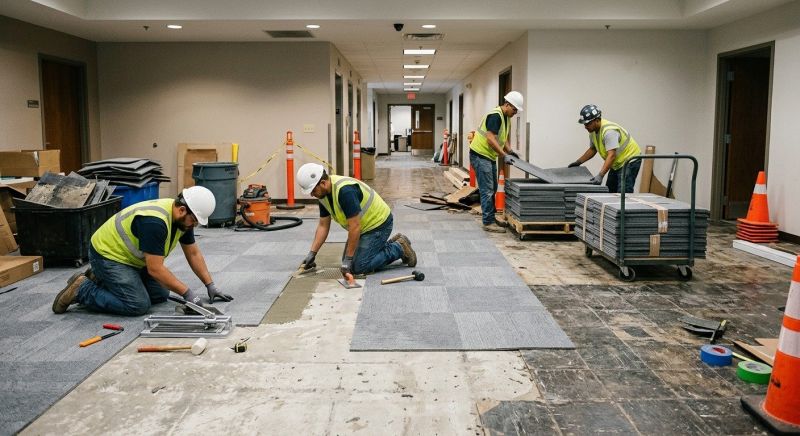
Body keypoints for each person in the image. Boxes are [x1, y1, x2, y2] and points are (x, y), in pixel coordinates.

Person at [52, 186, 233, 316]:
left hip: (131, 260)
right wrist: (187, 294)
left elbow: (193, 253)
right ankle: (82, 289)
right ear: (182, 209)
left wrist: (210, 285)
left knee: (160, 294)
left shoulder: (182, 219)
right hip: (108, 256)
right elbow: (155, 269)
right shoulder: (155, 223)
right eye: (194, 221)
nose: (194, 225)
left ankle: (101, 278)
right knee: (137, 304)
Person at [295, 163, 416, 279]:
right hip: (363, 227)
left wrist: (349, 259)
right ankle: (382, 245)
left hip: (378, 224)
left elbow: (355, 227)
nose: (312, 195)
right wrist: (312, 253)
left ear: (323, 183)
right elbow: (323, 226)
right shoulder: (323, 195)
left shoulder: (345, 191)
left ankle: (399, 247)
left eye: (313, 191)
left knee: (358, 267)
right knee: (349, 264)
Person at [468, 90, 523, 233]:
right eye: (514, 109)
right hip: (480, 155)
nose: (515, 112)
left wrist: (510, 151)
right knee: (487, 190)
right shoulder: (495, 116)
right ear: (507, 104)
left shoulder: (505, 118)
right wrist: (504, 155)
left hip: (488, 156)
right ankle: (487, 222)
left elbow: (502, 138)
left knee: (490, 189)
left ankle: (491, 218)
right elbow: (491, 139)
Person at [568, 104, 642, 193]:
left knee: (623, 193)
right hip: (617, 163)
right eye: (584, 124)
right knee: (610, 191)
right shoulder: (592, 131)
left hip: (630, 160)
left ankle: (624, 206)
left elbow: (611, 155)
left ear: (597, 120)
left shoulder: (609, 132)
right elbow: (592, 149)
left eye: (588, 123)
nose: (585, 126)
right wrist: (578, 162)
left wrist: (600, 175)